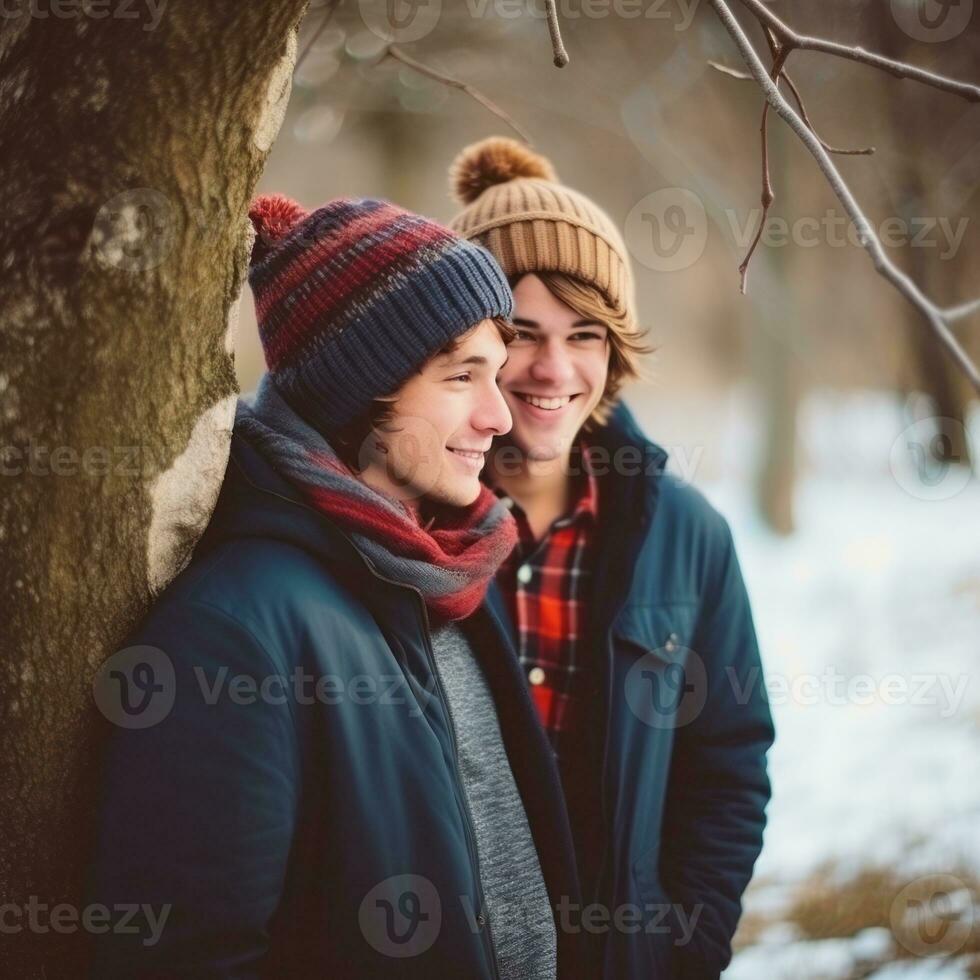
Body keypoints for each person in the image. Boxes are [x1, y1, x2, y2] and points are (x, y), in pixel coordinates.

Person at [86, 195, 582, 979]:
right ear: (358, 392)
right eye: (461, 377)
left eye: (497, 376)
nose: (497, 415)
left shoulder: (443, 572)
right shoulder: (237, 631)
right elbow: (186, 955)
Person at [449, 137, 776, 979]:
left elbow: (727, 766)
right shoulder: (407, 522)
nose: (554, 369)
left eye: (585, 335)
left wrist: (684, 948)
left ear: (616, 351)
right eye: (522, 333)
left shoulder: (686, 534)